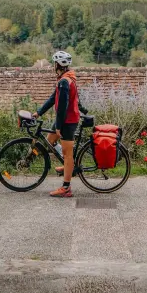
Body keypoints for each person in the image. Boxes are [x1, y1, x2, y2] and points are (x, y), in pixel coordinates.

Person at [33, 51, 88, 198]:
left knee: (67, 154)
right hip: (65, 119)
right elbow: (53, 98)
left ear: (58, 64)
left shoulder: (64, 81)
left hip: (67, 121)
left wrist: (58, 127)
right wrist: (39, 112)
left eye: (54, 63)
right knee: (50, 140)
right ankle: (67, 166)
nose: (53, 65)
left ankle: (66, 187)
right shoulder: (67, 78)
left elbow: (63, 107)